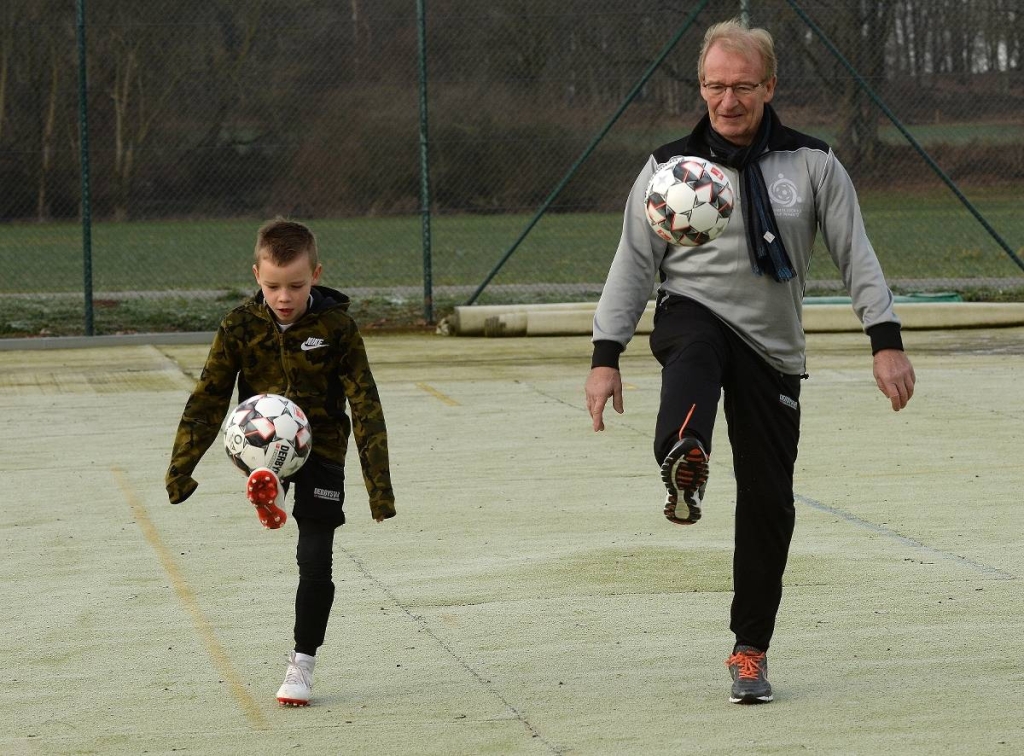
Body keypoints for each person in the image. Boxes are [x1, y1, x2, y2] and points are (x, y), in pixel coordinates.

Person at [584, 18, 915, 704]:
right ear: (700, 87)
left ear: (768, 85)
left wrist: (885, 339)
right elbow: (632, 265)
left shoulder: (814, 163)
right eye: (713, 86)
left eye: (740, 86)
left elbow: (857, 254)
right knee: (695, 354)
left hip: (774, 347)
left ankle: (749, 651)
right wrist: (604, 355)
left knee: (770, 503)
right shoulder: (667, 171)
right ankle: (686, 459)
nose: (726, 100)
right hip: (692, 316)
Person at [165, 218, 396, 706]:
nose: (284, 296)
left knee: (315, 559)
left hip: (323, 451)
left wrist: (380, 489)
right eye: (272, 286)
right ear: (256, 275)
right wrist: (180, 469)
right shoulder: (239, 326)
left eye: (295, 284)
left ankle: (302, 663)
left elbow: (366, 403)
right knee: (262, 449)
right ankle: (265, 480)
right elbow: (208, 399)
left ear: (316, 273)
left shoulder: (338, 327)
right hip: (259, 442)